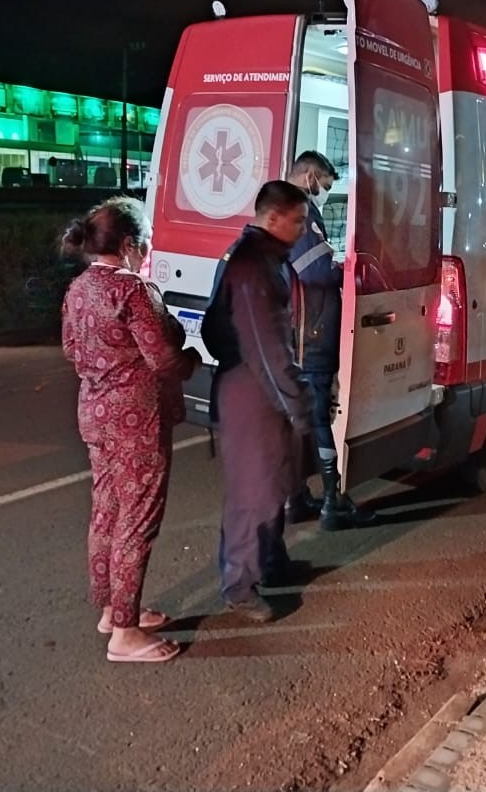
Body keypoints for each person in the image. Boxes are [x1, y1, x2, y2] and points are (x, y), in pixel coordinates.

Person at [61, 196, 200, 663]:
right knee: (137, 520)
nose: (148, 250)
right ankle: (124, 634)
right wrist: (191, 361)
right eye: (146, 243)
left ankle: (112, 610)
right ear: (128, 244)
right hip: (136, 418)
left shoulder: (78, 289)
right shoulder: (133, 291)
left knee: (106, 510)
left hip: (94, 413)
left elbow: (70, 351)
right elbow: (163, 359)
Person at [201, 180, 313, 621]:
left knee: (273, 484)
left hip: (256, 387)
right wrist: (297, 403)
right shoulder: (253, 268)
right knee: (253, 491)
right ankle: (239, 586)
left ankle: (271, 563)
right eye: (299, 220)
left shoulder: (261, 258)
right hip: (252, 391)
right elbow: (266, 350)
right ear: (273, 218)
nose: (304, 228)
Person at [284, 151, 376, 530]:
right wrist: (349, 273)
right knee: (318, 413)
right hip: (312, 333)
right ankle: (332, 501)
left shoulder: (283, 207)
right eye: (323, 184)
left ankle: (295, 497)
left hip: (301, 331)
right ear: (309, 176)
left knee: (299, 417)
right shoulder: (299, 212)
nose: (323, 191)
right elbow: (315, 269)